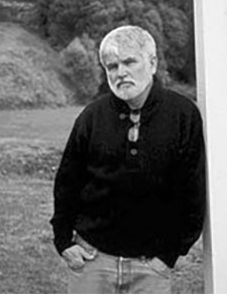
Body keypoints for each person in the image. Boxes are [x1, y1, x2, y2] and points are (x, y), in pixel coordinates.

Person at [50, 25, 206, 294]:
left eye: (129, 62)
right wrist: (64, 242)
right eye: (112, 66)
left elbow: (192, 189)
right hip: (92, 261)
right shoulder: (92, 117)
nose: (120, 72)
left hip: (151, 268)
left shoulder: (182, 115)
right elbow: (67, 183)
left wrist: (169, 254)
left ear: (152, 63)